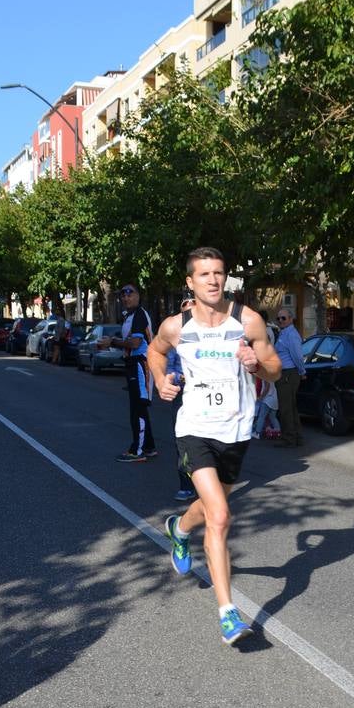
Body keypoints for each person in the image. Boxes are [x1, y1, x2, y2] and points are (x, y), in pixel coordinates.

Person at [147, 247, 282, 646]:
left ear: (226, 278)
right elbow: (155, 352)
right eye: (204, 274)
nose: (212, 280)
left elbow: (276, 369)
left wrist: (257, 366)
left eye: (218, 273)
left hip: (236, 433)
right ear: (190, 282)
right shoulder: (176, 326)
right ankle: (228, 614)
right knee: (220, 516)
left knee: (209, 510)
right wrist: (160, 380)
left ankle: (179, 527)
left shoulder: (248, 320)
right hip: (194, 430)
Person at [99, 285, 156, 462]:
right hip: (133, 364)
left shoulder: (139, 314)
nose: (126, 298)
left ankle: (136, 451)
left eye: (130, 294)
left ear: (138, 296)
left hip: (141, 365)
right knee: (139, 408)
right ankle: (148, 446)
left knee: (137, 409)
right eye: (123, 295)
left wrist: (113, 341)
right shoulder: (129, 316)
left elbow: (135, 343)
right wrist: (110, 342)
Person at [167, 298, 197, 502]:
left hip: (208, 397)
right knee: (183, 441)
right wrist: (179, 377)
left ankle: (208, 482)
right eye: (185, 313)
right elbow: (169, 369)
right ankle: (186, 485)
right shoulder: (175, 340)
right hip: (184, 395)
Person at [272, 308, 306, 447]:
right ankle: (297, 436)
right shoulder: (284, 333)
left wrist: (302, 371)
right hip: (285, 373)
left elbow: (297, 356)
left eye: (283, 318)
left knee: (286, 408)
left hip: (288, 374)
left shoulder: (291, 334)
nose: (280, 321)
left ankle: (289, 438)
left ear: (291, 319)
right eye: (278, 318)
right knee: (290, 407)